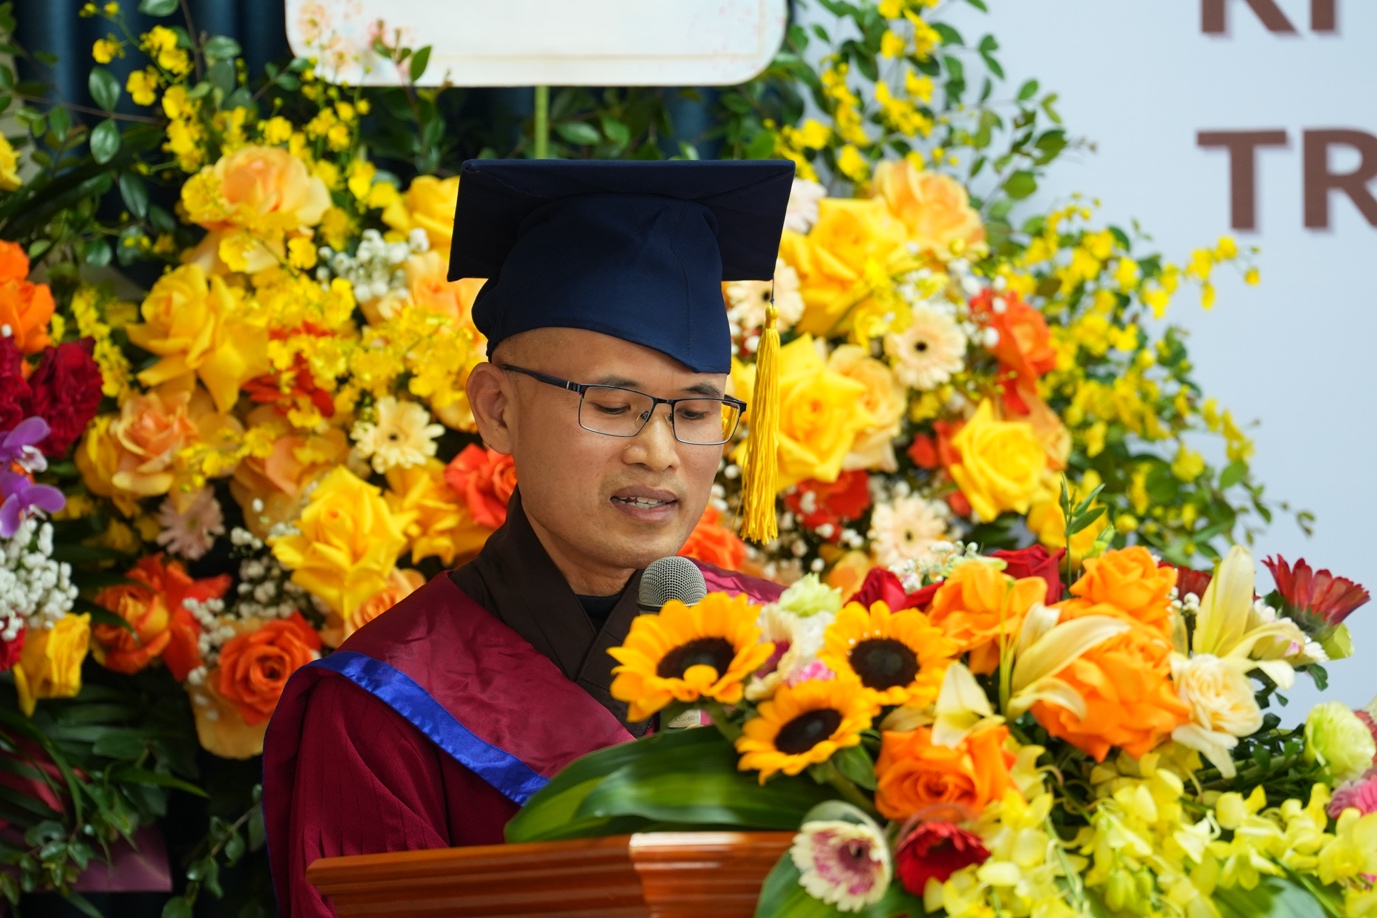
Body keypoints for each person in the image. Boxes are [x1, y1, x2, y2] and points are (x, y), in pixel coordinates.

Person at [262, 158, 795, 917]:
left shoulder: (790, 654)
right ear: (497, 410)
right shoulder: (380, 708)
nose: (659, 452)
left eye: (695, 411)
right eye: (612, 405)